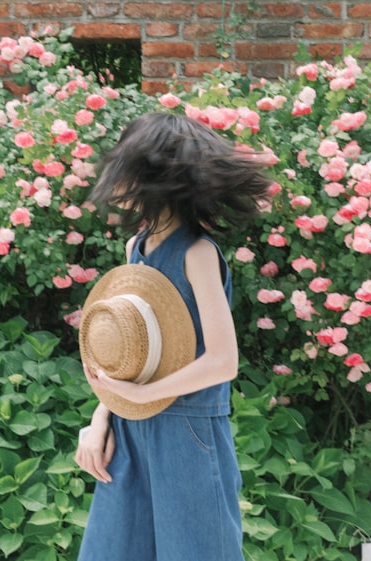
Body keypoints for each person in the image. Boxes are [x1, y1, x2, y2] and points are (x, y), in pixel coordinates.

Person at [74, 112, 273, 561]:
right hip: (132, 427)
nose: (113, 177)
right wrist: (103, 416)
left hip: (188, 431)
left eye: (122, 165)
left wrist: (144, 398)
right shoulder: (136, 247)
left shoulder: (198, 253)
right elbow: (135, 354)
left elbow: (224, 361)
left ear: (150, 176)